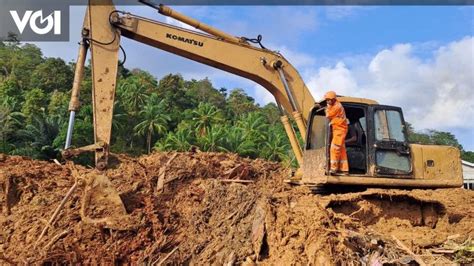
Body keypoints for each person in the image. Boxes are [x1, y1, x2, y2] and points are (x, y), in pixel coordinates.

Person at [324, 91, 349, 175]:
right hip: (338, 129)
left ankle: (334, 168)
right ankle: (344, 169)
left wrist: (327, 107)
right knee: (341, 149)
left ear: (334, 99)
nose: (328, 101)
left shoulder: (337, 107)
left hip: (340, 130)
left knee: (334, 148)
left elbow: (328, 115)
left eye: (329, 100)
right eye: (327, 100)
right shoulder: (335, 105)